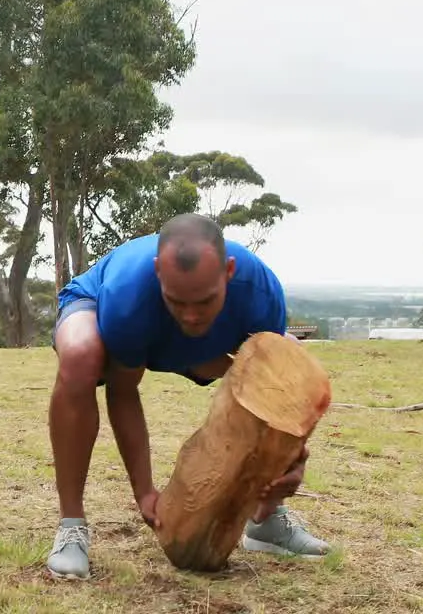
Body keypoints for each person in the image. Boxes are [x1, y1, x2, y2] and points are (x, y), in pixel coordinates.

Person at [45, 213, 331, 581]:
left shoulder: (260, 290)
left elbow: (278, 391)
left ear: (228, 271)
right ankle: (72, 526)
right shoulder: (127, 296)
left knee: (286, 361)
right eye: (178, 302)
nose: (192, 316)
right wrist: (144, 492)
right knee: (81, 355)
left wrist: (294, 458)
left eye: (205, 301)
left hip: (201, 351)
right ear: (158, 273)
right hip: (104, 311)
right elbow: (123, 390)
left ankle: (267, 521)